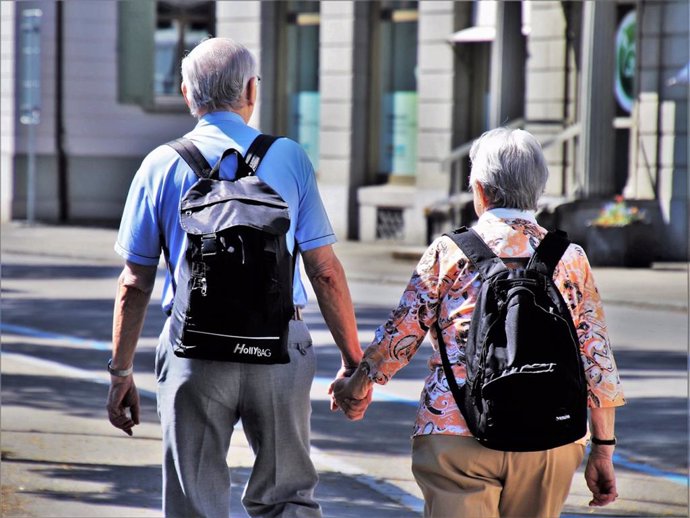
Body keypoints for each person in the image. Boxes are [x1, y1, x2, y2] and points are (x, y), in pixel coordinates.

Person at [106, 37, 367, 518]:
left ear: (187, 93)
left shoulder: (159, 164)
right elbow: (325, 271)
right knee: (287, 496)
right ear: (252, 90)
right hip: (280, 347)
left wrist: (121, 372)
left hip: (194, 352)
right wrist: (355, 363)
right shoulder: (289, 158)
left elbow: (135, 283)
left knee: (194, 502)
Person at [332, 127, 625, 517]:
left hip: (456, 431)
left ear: (481, 191)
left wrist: (358, 383)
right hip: (550, 438)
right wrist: (602, 448)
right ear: (537, 190)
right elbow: (596, 358)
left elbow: (400, 335)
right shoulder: (570, 257)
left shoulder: (449, 251)